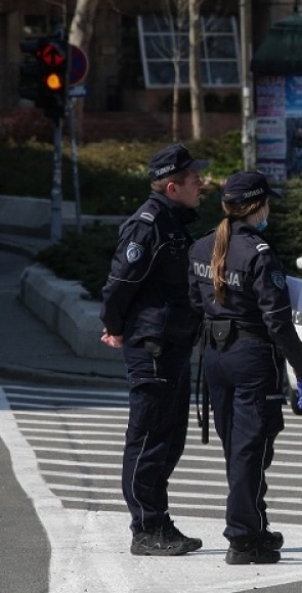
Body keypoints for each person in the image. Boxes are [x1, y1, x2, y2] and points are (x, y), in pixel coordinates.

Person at [187, 171, 302, 565]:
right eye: (268, 204)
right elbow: (277, 320)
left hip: (215, 357)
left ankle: (254, 526)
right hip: (252, 358)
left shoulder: (201, 247)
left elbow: (195, 303)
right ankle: (243, 538)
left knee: (237, 449)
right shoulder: (259, 253)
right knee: (252, 449)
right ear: (258, 206)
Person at [99, 143, 207, 556]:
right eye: (195, 179)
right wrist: (114, 326)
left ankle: (159, 521)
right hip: (154, 346)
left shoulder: (172, 222)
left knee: (169, 439)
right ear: (172, 187)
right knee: (148, 439)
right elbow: (120, 284)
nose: (203, 184)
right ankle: (145, 530)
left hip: (174, 344)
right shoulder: (148, 225)